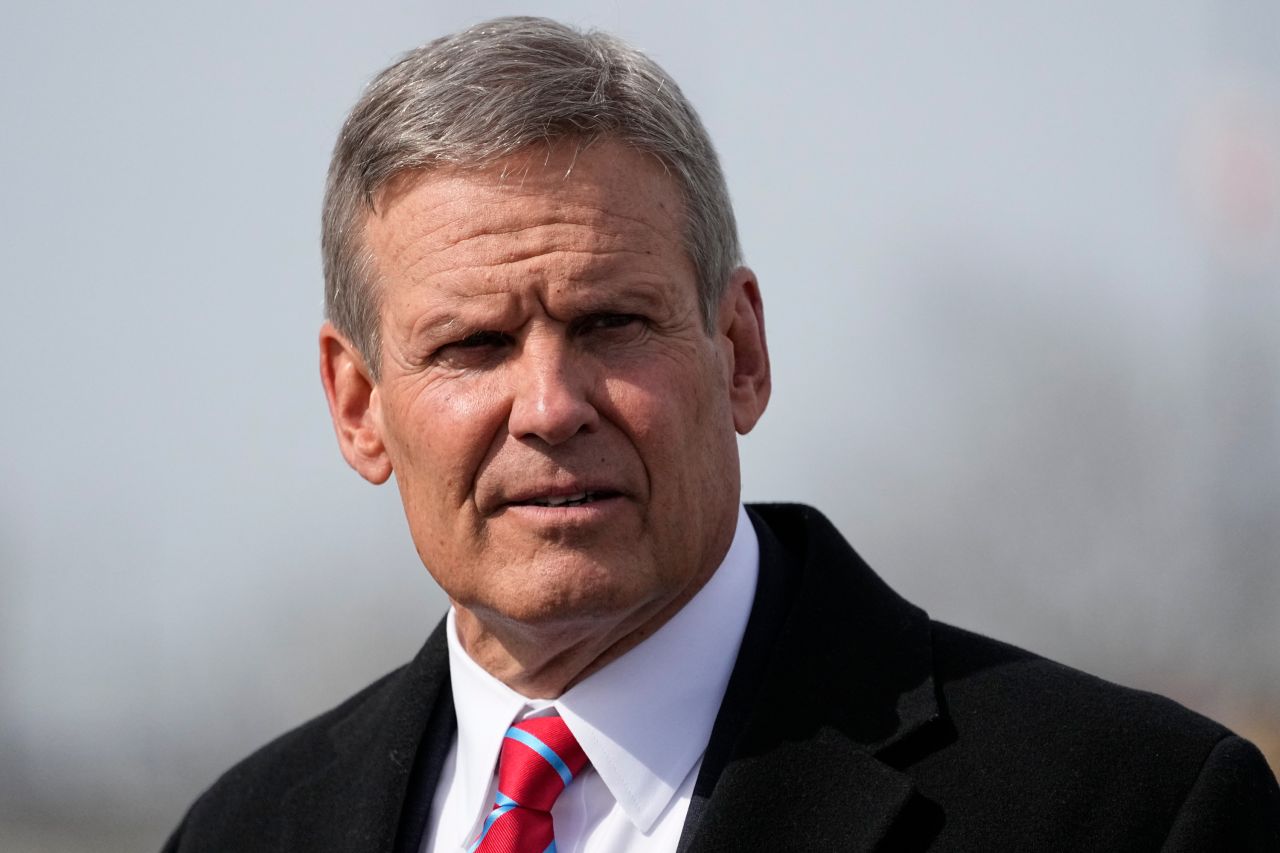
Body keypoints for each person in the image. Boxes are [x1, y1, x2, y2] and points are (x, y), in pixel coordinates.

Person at [164, 16, 1280, 853]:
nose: (551, 405)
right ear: (358, 406)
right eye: (473, 346)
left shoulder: (1129, 811)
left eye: (610, 322)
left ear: (738, 351)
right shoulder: (239, 831)